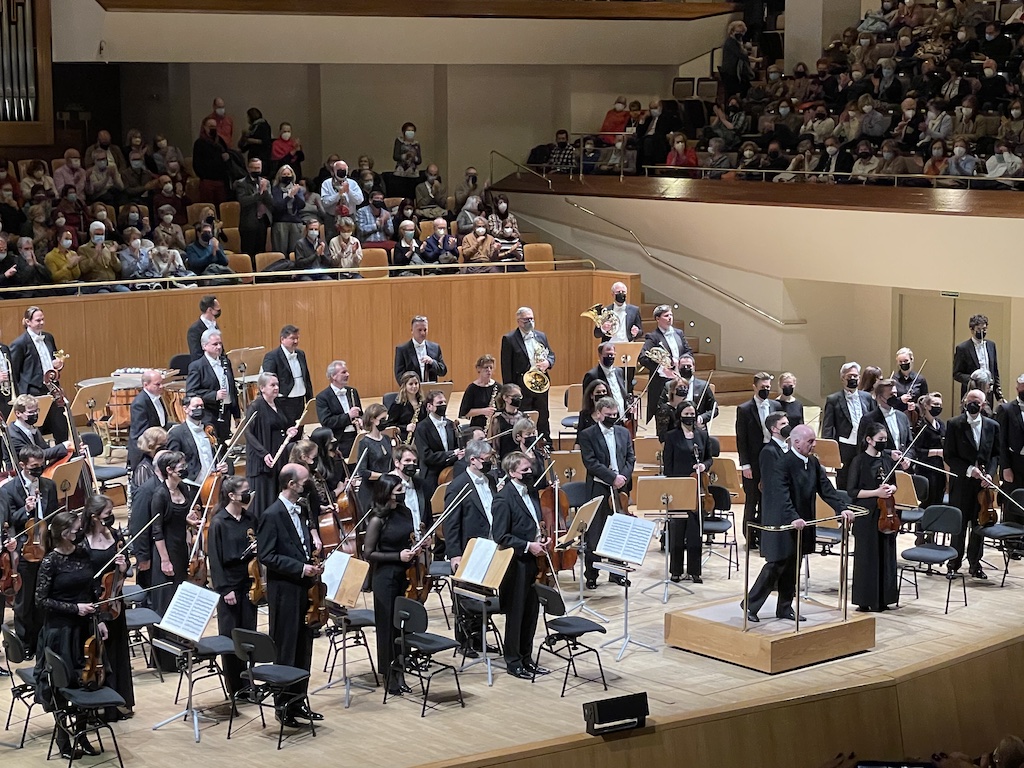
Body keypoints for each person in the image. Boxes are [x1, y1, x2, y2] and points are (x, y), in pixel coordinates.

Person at [744, 426, 852, 622]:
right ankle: (750, 605)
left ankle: (785, 607)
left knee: (794, 566)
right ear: (796, 442)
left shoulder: (813, 462)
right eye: (810, 441)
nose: (814, 445)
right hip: (784, 522)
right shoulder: (782, 464)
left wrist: (841, 507)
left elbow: (826, 489)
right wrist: (792, 517)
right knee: (776, 565)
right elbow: (781, 495)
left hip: (803, 523)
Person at [32, 510, 105, 759]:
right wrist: (75, 608)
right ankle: (64, 740)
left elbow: (91, 586)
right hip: (60, 632)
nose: (80, 532)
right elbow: (41, 600)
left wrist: (99, 615)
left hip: (84, 629)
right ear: (64, 533)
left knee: (86, 681)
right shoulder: (50, 561)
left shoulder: (83, 552)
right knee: (62, 685)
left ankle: (82, 734)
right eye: (75, 529)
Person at [256, 463, 323, 727]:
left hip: (305, 588)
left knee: (304, 646)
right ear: (291, 484)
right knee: (286, 648)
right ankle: (283, 705)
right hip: (284, 590)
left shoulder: (303, 508)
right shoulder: (271, 515)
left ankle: (299, 701)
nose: (309, 485)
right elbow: (267, 556)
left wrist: (312, 562)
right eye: (305, 481)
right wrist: (300, 567)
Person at [493, 451, 549, 679]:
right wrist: (528, 545)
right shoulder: (503, 498)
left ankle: (527, 657)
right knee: (516, 615)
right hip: (516, 564)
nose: (530, 472)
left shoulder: (531, 493)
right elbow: (500, 536)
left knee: (531, 612)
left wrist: (541, 539)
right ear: (512, 472)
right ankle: (514, 661)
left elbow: (534, 523)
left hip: (534, 561)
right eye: (525, 469)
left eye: (530, 468)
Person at [362, 473, 418, 695]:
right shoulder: (377, 519)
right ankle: (389, 674)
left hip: (406, 574)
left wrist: (417, 548)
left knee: (403, 626)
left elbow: (410, 538)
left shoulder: (405, 512)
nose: (402, 492)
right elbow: (368, 553)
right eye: (397, 490)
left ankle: (402, 670)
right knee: (387, 627)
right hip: (385, 578)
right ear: (387, 493)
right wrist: (398, 556)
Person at [3, 445, 59, 656]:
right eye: (34, 466)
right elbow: (9, 521)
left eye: (41, 465)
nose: (39, 469)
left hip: (47, 547)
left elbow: (53, 515)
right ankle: (25, 644)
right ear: (22, 466)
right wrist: (25, 510)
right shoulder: (9, 490)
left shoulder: (49, 486)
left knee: (43, 597)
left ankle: (42, 640)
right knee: (24, 602)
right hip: (24, 551)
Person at [81, 494, 134, 718]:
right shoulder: (82, 542)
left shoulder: (115, 535)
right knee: (100, 656)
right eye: (107, 514)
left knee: (118, 652)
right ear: (94, 517)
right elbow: (82, 576)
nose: (111, 518)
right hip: (95, 604)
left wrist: (123, 568)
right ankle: (99, 703)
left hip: (114, 601)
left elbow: (126, 566)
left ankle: (119, 701)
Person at [444, 439, 498, 654]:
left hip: (490, 545)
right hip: (469, 548)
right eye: (486, 460)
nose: (490, 463)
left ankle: (480, 638)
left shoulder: (490, 481)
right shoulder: (458, 486)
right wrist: (455, 554)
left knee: (484, 594)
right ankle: (464, 642)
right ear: (473, 460)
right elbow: (451, 523)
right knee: (466, 596)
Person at [150, 451, 201, 670]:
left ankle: (183, 650)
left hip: (181, 549)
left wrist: (189, 522)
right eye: (180, 465)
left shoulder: (185, 489)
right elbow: (157, 530)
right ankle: (166, 660)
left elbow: (181, 518)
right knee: (167, 603)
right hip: (166, 552)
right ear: (169, 470)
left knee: (181, 601)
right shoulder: (160, 495)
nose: (184, 467)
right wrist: (164, 560)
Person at [208, 475, 258, 698]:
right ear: (231, 496)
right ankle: (236, 687)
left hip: (250, 583)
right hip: (230, 585)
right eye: (244, 491)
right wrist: (225, 589)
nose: (249, 494)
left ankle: (250, 682)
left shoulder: (250, 519)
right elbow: (215, 560)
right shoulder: (219, 522)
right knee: (231, 637)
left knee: (249, 635)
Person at [579, 397, 636, 589]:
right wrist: (612, 477)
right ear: (598, 414)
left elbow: (630, 457)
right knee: (595, 533)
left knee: (618, 531)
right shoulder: (587, 435)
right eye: (608, 415)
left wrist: (623, 478)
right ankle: (592, 574)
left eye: (614, 414)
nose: (612, 418)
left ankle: (617, 573)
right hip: (599, 487)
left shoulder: (622, 432)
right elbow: (590, 462)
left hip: (620, 488)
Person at [944, 389, 1000, 579]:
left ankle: (975, 563)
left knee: (980, 523)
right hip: (961, 483)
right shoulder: (954, 424)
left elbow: (995, 454)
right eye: (970, 400)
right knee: (959, 525)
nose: (973, 403)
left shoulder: (992, 426)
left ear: (983, 405)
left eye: (977, 401)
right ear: (965, 402)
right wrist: (969, 470)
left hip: (982, 486)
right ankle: (954, 562)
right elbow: (949, 455)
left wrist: (990, 475)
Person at [847, 424, 900, 612]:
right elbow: (852, 491)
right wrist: (876, 492)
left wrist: (891, 489)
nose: (883, 443)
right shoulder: (859, 461)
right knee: (868, 557)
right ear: (869, 440)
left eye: (885, 439)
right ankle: (866, 599)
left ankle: (884, 598)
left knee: (886, 555)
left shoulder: (886, 460)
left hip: (886, 513)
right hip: (867, 515)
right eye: (880, 440)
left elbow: (894, 484)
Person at [663, 401, 714, 584]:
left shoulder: (702, 435)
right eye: (686, 413)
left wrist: (703, 466)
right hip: (679, 486)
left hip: (697, 488)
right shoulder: (671, 436)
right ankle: (676, 571)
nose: (690, 417)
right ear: (679, 415)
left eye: (692, 413)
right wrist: (672, 486)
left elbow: (709, 458)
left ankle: (695, 571)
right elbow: (667, 465)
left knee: (695, 531)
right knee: (677, 530)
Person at [736, 373, 783, 548]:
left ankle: (765, 537)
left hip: (772, 459)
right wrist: (745, 464)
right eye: (763, 387)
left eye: (768, 387)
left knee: (767, 500)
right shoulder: (744, 409)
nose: (766, 390)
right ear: (754, 387)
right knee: (752, 500)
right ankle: (749, 538)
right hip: (754, 459)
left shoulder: (776, 405)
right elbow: (741, 439)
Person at [10, 306, 69, 442]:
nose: (41, 323)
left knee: (61, 426)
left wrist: (59, 366)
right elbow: (14, 371)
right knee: (36, 431)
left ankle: (64, 457)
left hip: (52, 388)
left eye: (43, 319)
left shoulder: (48, 337)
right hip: (33, 392)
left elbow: (52, 360)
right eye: (38, 320)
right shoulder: (19, 343)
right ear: (28, 322)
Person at [245, 372, 299, 519]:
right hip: (262, 462)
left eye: (277, 384)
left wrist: (289, 431)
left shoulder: (278, 404)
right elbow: (248, 434)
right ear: (262, 388)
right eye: (272, 385)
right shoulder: (255, 406)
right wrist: (263, 453)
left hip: (278, 458)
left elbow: (279, 427)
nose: (276, 387)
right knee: (263, 501)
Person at [501, 307, 555, 440]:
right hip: (521, 386)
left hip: (540, 383)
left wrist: (548, 363)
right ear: (519, 321)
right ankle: (524, 441)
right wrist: (511, 390)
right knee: (523, 415)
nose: (530, 321)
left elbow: (551, 354)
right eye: (526, 319)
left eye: (532, 318)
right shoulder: (509, 339)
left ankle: (545, 442)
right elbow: (506, 367)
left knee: (543, 414)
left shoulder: (541, 336)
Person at [822, 362, 877, 489]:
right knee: (844, 478)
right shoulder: (833, 399)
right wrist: (828, 450)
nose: (853, 379)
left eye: (856, 376)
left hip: (864, 444)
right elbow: (828, 426)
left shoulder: (867, 397)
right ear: (843, 379)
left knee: (865, 477)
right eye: (849, 376)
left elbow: (874, 421)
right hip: (844, 445)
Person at [639, 305, 693, 423]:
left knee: (683, 410)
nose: (670, 318)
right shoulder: (653, 337)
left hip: (681, 378)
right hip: (662, 381)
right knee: (663, 415)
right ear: (658, 319)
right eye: (666, 315)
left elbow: (688, 351)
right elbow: (642, 358)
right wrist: (662, 369)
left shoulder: (679, 333)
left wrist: (682, 360)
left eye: (671, 315)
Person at [185, 329, 239, 444]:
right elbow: (191, 392)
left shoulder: (225, 362)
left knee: (223, 443)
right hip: (209, 413)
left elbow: (232, 389)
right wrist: (214, 395)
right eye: (215, 344)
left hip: (226, 412)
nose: (219, 347)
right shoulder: (197, 366)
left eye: (220, 343)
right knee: (212, 443)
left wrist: (237, 414)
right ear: (204, 346)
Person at [413, 389, 463, 502]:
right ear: (430, 406)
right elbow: (426, 456)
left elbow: (456, 448)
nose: (443, 405)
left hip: (449, 471)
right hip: (432, 473)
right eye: (440, 403)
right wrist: (451, 454)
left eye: (444, 402)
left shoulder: (450, 424)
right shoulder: (422, 428)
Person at [261, 324, 313, 427]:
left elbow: (306, 378)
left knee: (299, 429)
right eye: (292, 338)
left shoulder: (301, 354)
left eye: (297, 338)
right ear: (282, 339)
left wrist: (309, 399)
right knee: (286, 430)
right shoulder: (272, 356)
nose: (296, 341)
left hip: (300, 400)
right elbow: (268, 380)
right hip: (283, 401)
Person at [315, 360, 363, 461]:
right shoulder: (322, 397)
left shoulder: (352, 391)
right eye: (343, 372)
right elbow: (326, 422)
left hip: (356, 435)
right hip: (339, 439)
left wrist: (361, 419)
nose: (348, 374)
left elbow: (359, 413)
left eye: (347, 372)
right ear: (333, 376)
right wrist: (348, 416)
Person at [8, 394, 72, 469]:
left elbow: (45, 449)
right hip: (24, 475)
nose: (35, 414)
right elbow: (35, 456)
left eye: (36, 411)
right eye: (31, 412)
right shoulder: (13, 436)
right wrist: (63, 446)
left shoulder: (32, 428)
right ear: (18, 413)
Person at [127, 369, 170, 470]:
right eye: (157, 384)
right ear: (146, 385)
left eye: (162, 383)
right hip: (145, 452)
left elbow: (161, 422)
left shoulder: (157, 397)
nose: (161, 386)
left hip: (157, 447)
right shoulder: (139, 404)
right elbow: (143, 434)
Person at [953, 313, 1002, 401]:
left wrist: (998, 395)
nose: (982, 332)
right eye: (979, 329)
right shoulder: (963, 348)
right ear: (972, 330)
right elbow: (956, 374)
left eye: (984, 329)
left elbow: (995, 371)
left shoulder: (991, 345)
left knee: (987, 414)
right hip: (971, 392)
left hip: (988, 392)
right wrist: (975, 380)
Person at [911, 392, 947, 510]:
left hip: (940, 469)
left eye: (940, 405)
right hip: (926, 470)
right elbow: (917, 451)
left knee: (938, 500)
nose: (938, 407)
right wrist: (937, 452)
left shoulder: (941, 424)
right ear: (926, 406)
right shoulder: (920, 425)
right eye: (935, 404)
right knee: (927, 502)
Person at [858, 379, 913, 455]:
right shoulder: (868, 419)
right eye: (891, 395)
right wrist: (889, 453)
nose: (895, 397)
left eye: (895, 394)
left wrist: (908, 457)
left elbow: (910, 443)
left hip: (902, 464)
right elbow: (863, 446)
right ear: (880, 397)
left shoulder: (902, 416)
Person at [582, 342, 630, 424]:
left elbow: (622, 394)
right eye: (607, 354)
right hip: (604, 420)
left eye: (612, 354)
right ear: (600, 355)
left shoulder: (619, 371)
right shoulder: (592, 375)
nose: (610, 357)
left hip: (622, 419)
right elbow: (587, 401)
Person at [394, 315, 448, 385]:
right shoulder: (402, 350)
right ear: (412, 331)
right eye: (419, 330)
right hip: (412, 392)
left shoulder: (435, 348)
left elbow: (443, 371)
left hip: (431, 392)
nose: (423, 333)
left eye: (425, 330)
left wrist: (432, 362)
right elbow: (399, 375)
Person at [192, 117, 232, 207]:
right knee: (208, 207)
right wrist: (203, 176)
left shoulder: (220, 141)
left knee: (222, 206)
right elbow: (196, 163)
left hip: (221, 180)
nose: (213, 128)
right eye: (210, 126)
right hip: (207, 181)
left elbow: (226, 154)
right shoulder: (199, 143)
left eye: (214, 126)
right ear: (205, 127)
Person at [270, 165, 306, 257]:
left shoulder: (297, 189)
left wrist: (295, 194)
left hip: (295, 222)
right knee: (280, 252)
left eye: (288, 174)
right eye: (284, 174)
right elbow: (277, 206)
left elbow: (302, 205)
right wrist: (289, 197)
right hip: (280, 222)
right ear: (280, 176)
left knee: (294, 252)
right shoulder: (275, 189)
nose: (286, 176)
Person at [459, 355, 498, 430]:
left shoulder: (497, 387)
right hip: (477, 427)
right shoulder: (472, 388)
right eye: (486, 367)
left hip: (494, 427)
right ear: (478, 369)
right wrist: (483, 411)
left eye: (491, 367)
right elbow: (464, 413)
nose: (489, 370)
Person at [722, 21, 757, 98]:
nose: (740, 34)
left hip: (737, 73)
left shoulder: (738, 43)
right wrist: (756, 60)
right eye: (738, 31)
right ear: (732, 31)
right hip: (730, 73)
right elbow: (741, 55)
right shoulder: (730, 42)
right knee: (732, 94)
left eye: (742, 32)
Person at [388, 371, 424, 442]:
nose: (414, 386)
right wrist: (405, 427)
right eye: (411, 384)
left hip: (421, 437)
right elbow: (389, 425)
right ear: (404, 386)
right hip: (404, 438)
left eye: (416, 383)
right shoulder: (398, 404)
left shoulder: (422, 402)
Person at [186, 297, 222, 363]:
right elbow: (196, 355)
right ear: (210, 310)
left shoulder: (214, 325)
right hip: (204, 368)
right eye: (217, 309)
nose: (219, 310)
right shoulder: (194, 330)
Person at [893, 347, 928, 411]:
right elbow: (889, 402)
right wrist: (900, 400)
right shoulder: (893, 380)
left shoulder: (920, 379)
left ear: (911, 360)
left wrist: (916, 406)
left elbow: (925, 401)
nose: (903, 363)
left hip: (915, 416)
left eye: (906, 361)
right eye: (900, 361)